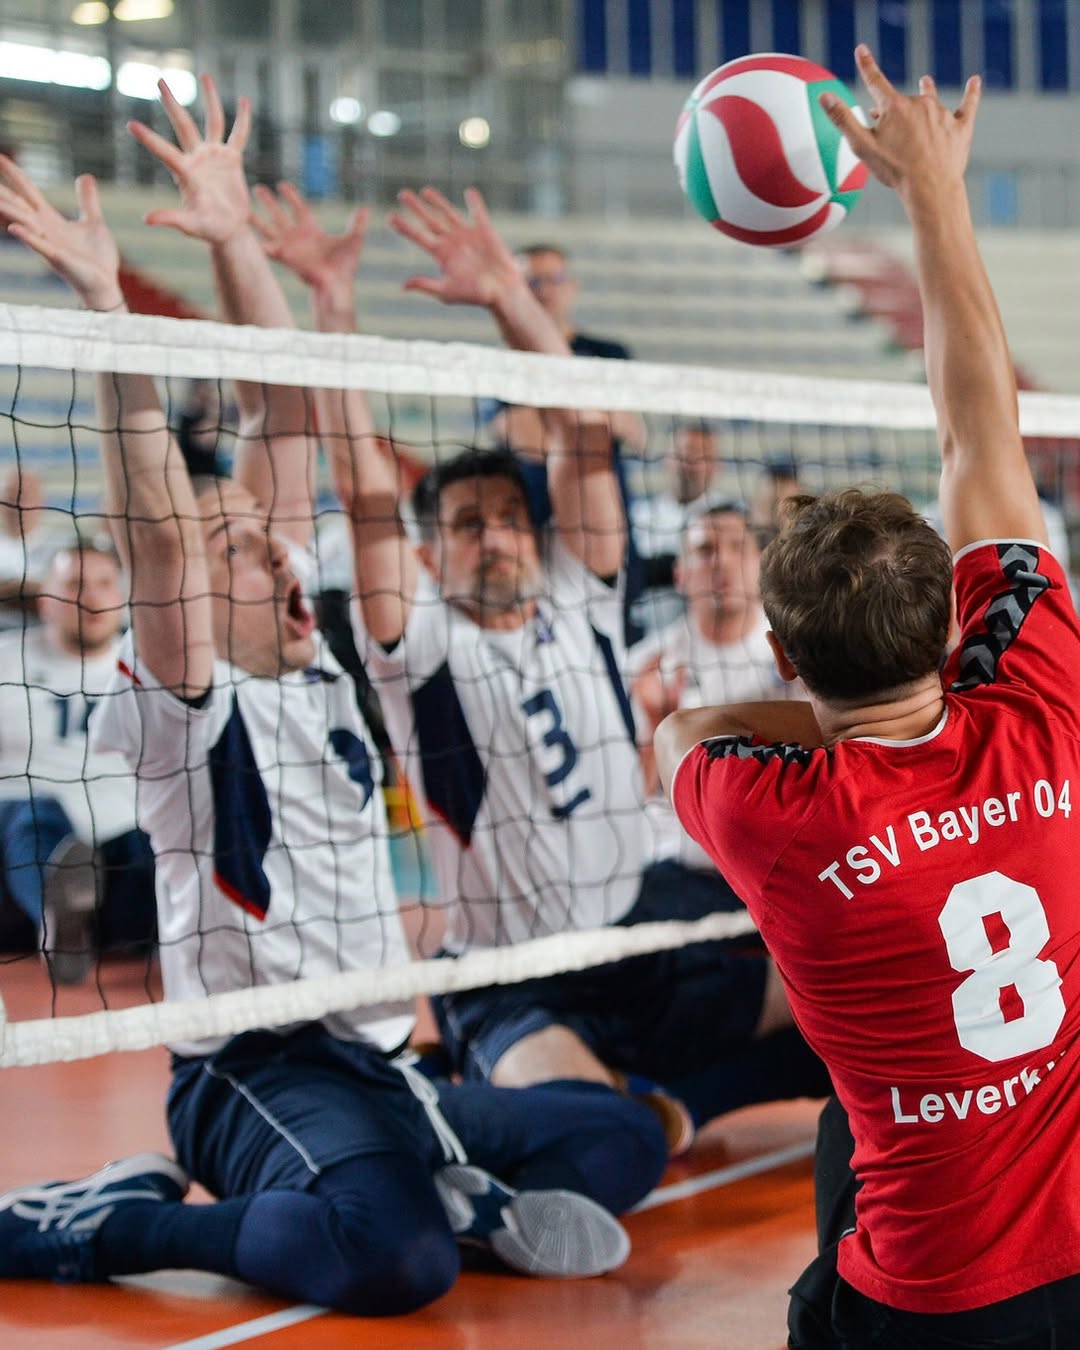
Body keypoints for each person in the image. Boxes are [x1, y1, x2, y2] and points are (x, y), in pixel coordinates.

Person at [0, 77, 665, 1312]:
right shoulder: (184, 694)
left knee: (623, 1140)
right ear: (197, 595)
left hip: (378, 1057)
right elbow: (157, 529)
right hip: (252, 1069)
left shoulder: (309, 658)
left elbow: (283, 399)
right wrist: (108, 314)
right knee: (389, 1258)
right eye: (240, 546)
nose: (272, 546)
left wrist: (238, 234)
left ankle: (438, 1178)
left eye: (269, 532)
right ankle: (114, 1224)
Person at [657, 47, 1080, 1348]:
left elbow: (681, 728)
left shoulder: (768, 817)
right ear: (957, 625)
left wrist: (818, 712)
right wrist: (935, 193)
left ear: (785, 658)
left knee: (846, 1170)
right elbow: (979, 439)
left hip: (930, 1304)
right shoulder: (1045, 701)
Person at [346, 184, 828, 1150]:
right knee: (600, 1146)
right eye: (465, 526)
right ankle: (448, 1092)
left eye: (507, 519)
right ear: (430, 555)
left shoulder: (582, 595)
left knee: (872, 1004)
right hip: (512, 972)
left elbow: (584, 434)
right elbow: (365, 499)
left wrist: (513, 304)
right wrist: (331, 324)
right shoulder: (424, 647)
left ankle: (675, 1097)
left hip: (639, 936)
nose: (493, 539)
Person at [629, 498, 793, 920]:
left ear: (760, 567)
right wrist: (654, 727)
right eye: (705, 551)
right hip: (678, 877)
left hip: (776, 868)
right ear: (680, 575)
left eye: (738, 548)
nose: (721, 563)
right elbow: (628, 803)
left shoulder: (800, 657)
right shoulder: (647, 664)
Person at [0, 541, 156, 982]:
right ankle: (57, 918)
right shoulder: (7, 659)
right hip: (18, 855)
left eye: (106, 584)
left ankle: (80, 927)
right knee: (34, 816)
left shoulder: (150, 666)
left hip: (121, 850)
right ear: (47, 601)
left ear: (123, 599)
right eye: (76, 584)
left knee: (157, 840)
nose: (92, 597)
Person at [486, 242, 649, 645]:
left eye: (553, 279)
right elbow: (527, 440)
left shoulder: (609, 353)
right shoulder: (500, 362)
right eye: (531, 281)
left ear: (571, 286)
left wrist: (559, 418)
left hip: (605, 524)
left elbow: (634, 431)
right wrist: (591, 416)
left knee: (615, 645)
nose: (543, 290)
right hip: (533, 529)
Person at [628, 419, 723, 632]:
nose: (688, 463)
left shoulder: (731, 518)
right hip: (645, 636)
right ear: (666, 459)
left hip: (711, 640)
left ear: (715, 465)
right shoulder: (638, 516)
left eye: (699, 454)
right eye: (681, 452)